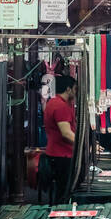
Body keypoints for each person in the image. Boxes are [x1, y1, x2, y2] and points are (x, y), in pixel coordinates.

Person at [42, 75, 78, 204]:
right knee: (63, 191)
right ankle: (60, 215)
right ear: (68, 89)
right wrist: (83, 146)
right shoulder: (60, 106)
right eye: (75, 89)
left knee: (61, 190)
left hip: (56, 153)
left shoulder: (53, 103)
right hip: (62, 155)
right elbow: (66, 133)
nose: (76, 92)